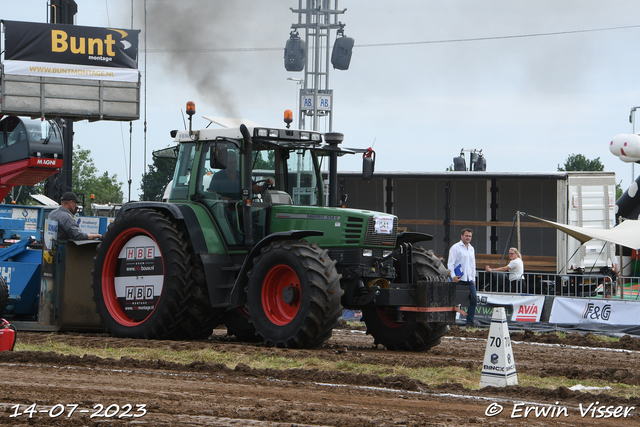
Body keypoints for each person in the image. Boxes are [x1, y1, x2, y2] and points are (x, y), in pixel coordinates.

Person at [207, 150, 273, 198]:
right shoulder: (218, 176)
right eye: (230, 163)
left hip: (242, 209)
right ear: (225, 163)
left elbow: (256, 189)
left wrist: (265, 185)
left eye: (235, 162)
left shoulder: (243, 175)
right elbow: (212, 195)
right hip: (223, 209)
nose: (233, 165)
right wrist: (226, 200)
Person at [448, 228, 478, 327]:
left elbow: (473, 265)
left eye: (470, 236)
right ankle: (451, 322)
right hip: (459, 279)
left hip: (469, 279)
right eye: (466, 236)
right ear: (461, 236)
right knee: (455, 301)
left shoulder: (471, 248)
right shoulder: (455, 247)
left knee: (473, 299)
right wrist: (453, 277)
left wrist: (473, 279)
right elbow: (450, 264)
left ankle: (469, 322)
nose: (468, 238)